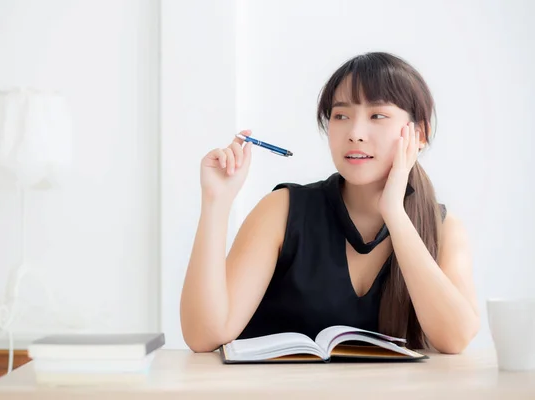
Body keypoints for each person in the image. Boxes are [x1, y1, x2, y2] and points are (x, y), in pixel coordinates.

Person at [180, 52, 480, 355]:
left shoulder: (444, 228)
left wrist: (395, 215)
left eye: (377, 116)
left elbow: (454, 339)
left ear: (420, 134)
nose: (355, 133)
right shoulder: (282, 210)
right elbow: (204, 336)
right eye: (341, 116)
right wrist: (216, 203)